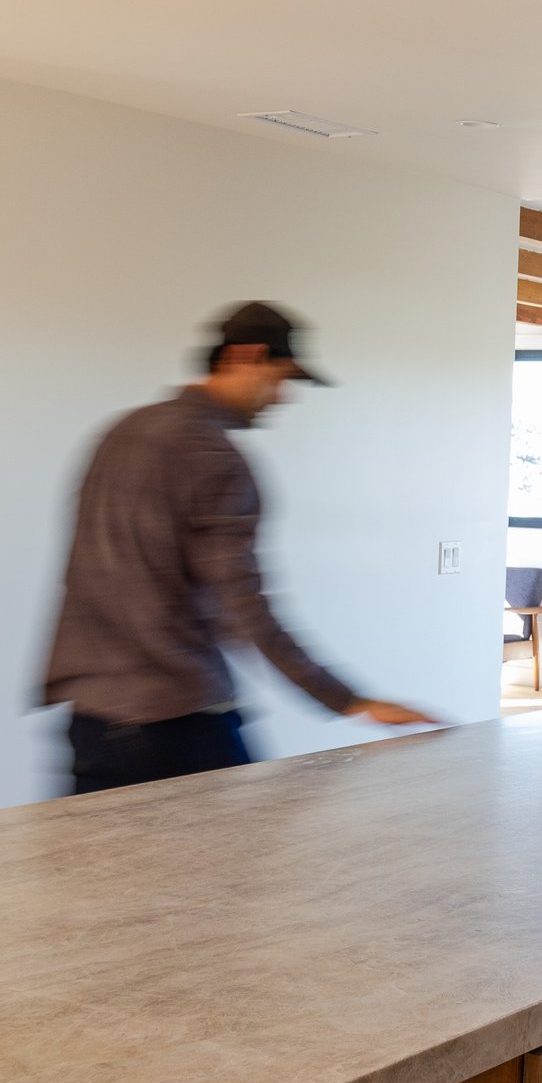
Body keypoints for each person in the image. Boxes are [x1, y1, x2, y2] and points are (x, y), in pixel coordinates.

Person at [42, 302, 434, 792]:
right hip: (174, 722)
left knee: (95, 869)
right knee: (250, 865)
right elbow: (244, 607)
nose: (282, 397)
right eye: (279, 377)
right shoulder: (212, 458)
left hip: (91, 720)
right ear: (245, 356)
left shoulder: (122, 433)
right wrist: (348, 701)